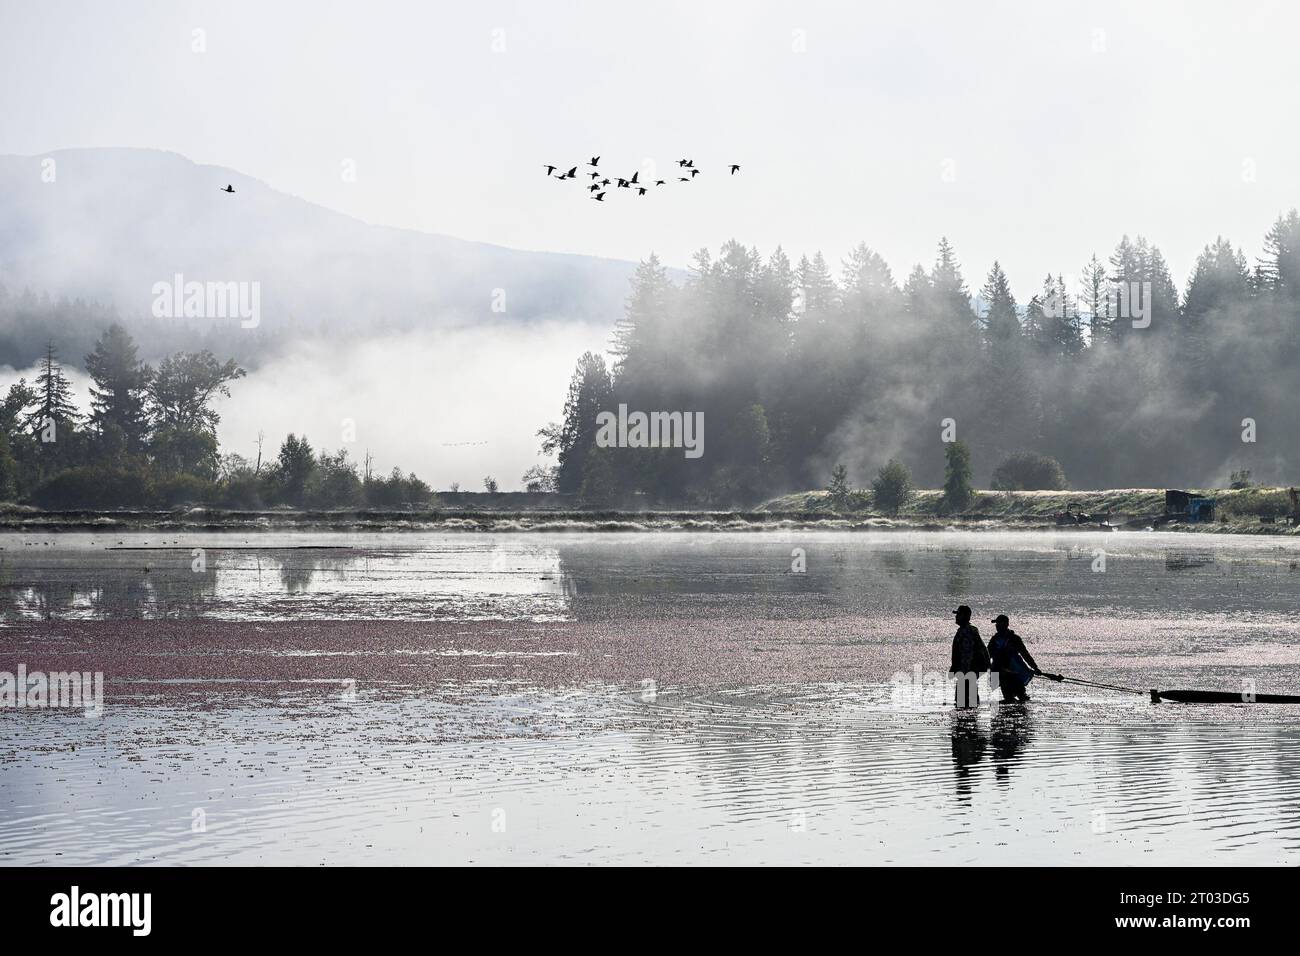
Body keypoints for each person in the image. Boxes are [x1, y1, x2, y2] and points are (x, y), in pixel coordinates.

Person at [987, 614, 1040, 702]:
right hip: (1001, 672)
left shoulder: (1014, 639)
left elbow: (1025, 654)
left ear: (1006, 624)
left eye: (999, 623)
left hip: (1015, 672)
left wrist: (1035, 667)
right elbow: (988, 655)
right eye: (996, 624)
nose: (997, 626)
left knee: (1021, 695)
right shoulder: (994, 639)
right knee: (1008, 696)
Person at [949, 605, 989, 708]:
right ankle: (971, 718)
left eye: (958, 614)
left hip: (968, 670)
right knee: (969, 698)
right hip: (971, 670)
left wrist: (962, 672)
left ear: (965, 616)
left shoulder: (966, 632)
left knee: (964, 699)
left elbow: (968, 654)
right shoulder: (969, 630)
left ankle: (968, 720)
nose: (956, 617)